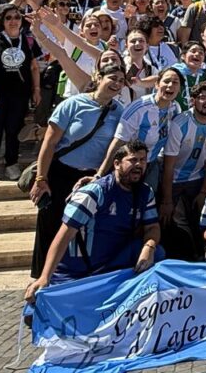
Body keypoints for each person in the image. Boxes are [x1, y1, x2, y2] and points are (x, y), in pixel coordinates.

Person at [24, 140, 160, 302]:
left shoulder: (145, 192)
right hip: (78, 270)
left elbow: (152, 227)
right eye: (132, 160)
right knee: (42, 308)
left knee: (158, 254)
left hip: (113, 262)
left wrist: (149, 248)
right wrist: (44, 277)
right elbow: (64, 235)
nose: (138, 165)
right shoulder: (94, 193)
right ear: (116, 164)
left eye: (142, 160)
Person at [30, 64, 128, 279]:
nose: (117, 84)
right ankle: (42, 279)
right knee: (50, 225)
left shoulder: (119, 111)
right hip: (59, 173)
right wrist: (41, 178)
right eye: (113, 78)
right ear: (98, 77)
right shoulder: (73, 104)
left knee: (81, 229)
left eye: (121, 81)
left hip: (90, 178)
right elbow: (50, 142)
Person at [160, 82, 206, 260]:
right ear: (192, 101)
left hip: (197, 178)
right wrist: (167, 199)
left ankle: (202, 256)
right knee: (170, 220)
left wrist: (204, 191)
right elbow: (168, 165)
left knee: (200, 218)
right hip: (173, 179)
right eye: (203, 97)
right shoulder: (180, 123)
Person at [0, 4, 41, 181]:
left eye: (17, 17)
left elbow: (34, 67)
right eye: (9, 18)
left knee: (14, 130)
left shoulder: (28, 40)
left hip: (20, 95)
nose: (13, 21)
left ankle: (12, 163)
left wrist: (36, 90)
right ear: (2, 21)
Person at [96, 67, 182, 193]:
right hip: (129, 166)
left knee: (146, 205)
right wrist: (100, 174)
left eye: (175, 82)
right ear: (157, 84)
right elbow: (118, 142)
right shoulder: (139, 108)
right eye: (166, 81)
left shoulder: (175, 108)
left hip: (151, 165)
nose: (170, 85)